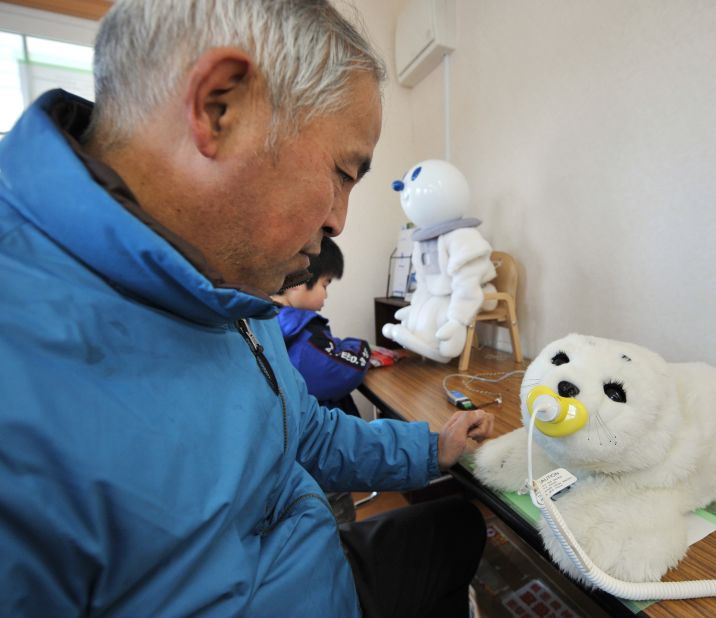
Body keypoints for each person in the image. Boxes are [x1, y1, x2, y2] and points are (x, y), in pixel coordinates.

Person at [0, 1, 494, 617]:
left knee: (456, 527)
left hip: (317, 567)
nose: (339, 219)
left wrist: (428, 450)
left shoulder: (234, 284)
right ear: (219, 106)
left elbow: (302, 428)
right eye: (343, 172)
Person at [272, 236, 370, 418]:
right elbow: (345, 371)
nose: (326, 295)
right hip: (327, 435)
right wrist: (362, 346)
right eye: (325, 285)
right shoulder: (303, 331)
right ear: (298, 280)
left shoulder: (265, 321)